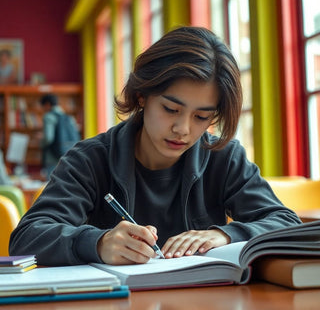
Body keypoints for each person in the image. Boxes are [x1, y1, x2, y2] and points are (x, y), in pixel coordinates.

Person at [9, 26, 301, 266]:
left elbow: (286, 222)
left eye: (202, 117)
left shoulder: (222, 157)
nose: (183, 129)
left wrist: (224, 235)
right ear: (141, 97)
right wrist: (98, 243)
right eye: (171, 109)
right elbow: (27, 237)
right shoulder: (89, 159)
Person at [39, 94, 63, 178]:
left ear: (47, 104)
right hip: (66, 155)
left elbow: (48, 138)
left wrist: (41, 142)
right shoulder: (67, 117)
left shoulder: (48, 117)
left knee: (51, 185)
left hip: (53, 156)